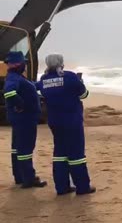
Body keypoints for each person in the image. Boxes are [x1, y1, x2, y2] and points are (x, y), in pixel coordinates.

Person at [37, 54, 95, 195]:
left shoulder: (44, 79)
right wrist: (79, 82)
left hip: (55, 121)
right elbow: (84, 95)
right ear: (61, 64)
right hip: (72, 120)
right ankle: (82, 187)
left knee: (60, 153)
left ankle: (62, 187)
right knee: (76, 154)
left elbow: (42, 93)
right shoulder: (70, 76)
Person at [3, 51, 47, 188]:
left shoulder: (16, 77)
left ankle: (20, 177)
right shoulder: (13, 77)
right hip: (24, 119)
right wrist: (21, 105)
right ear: (18, 64)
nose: (25, 65)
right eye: (24, 63)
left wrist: (41, 83)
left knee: (18, 148)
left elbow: (28, 86)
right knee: (25, 149)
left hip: (20, 119)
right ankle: (28, 178)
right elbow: (9, 92)